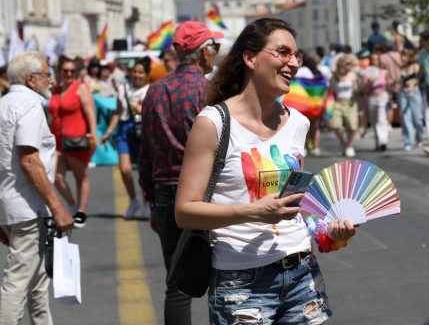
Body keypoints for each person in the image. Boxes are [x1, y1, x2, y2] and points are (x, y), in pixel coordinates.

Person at [175, 17, 356, 325]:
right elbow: (185, 211)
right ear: (250, 57)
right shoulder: (213, 123)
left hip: (301, 272)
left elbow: (294, 203)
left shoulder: (298, 123)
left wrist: (330, 228)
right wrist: (253, 212)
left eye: (296, 55)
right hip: (241, 282)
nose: (293, 63)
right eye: (282, 52)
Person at [139, 20, 222, 325]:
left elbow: (145, 151)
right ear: (204, 53)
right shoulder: (211, 89)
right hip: (208, 192)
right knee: (226, 276)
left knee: (177, 285)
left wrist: (150, 198)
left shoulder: (155, 91)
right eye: (213, 48)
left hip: (166, 193)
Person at [0, 52, 74, 324]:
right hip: (28, 207)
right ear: (31, 79)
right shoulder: (29, 106)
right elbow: (29, 160)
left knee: (37, 283)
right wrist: (58, 208)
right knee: (17, 283)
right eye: (47, 74)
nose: (52, 80)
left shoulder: (4, 104)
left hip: (13, 205)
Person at [49, 56, 98, 228]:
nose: (69, 73)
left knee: (81, 176)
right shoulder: (56, 89)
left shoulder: (81, 88)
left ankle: (81, 211)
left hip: (77, 139)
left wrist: (93, 135)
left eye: (72, 71)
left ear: (75, 72)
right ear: (60, 71)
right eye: (65, 70)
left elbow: (91, 113)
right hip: (58, 140)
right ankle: (71, 204)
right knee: (56, 176)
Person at [102, 57, 151, 219]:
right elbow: (117, 111)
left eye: (140, 72)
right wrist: (108, 132)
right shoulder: (123, 87)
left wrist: (141, 109)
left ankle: (146, 202)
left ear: (146, 74)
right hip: (125, 129)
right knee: (125, 169)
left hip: (143, 130)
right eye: (135, 71)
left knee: (144, 170)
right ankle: (133, 200)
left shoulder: (151, 89)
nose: (137, 75)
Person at [329, 55, 359, 157]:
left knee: (352, 125)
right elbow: (330, 90)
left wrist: (357, 87)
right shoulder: (335, 76)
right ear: (342, 65)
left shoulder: (352, 75)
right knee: (335, 125)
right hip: (338, 102)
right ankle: (342, 142)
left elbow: (356, 88)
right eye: (348, 64)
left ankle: (349, 146)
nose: (350, 66)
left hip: (350, 102)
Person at [364, 51, 392, 151]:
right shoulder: (368, 72)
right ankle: (378, 141)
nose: (375, 61)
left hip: (382, 96)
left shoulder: (384, 72)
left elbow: (389, 84)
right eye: (373, 59)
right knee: (374, 121)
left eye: (376, 59)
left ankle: (383, 141)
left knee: (381, 119)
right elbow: (365, 89)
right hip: (372, 97)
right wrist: (369, 82)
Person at [398, 47, 424, 151]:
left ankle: (419, 138)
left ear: (409, 57)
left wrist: (413, 84)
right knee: (405, 118)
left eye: (404, 56)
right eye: (402, 56)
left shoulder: (415, 66)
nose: (402, 58)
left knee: (417, 118)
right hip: (404, 93)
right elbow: (399, 81)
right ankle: (408, 141)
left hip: (414, 93)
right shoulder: (401, 68)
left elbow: (418, 79)